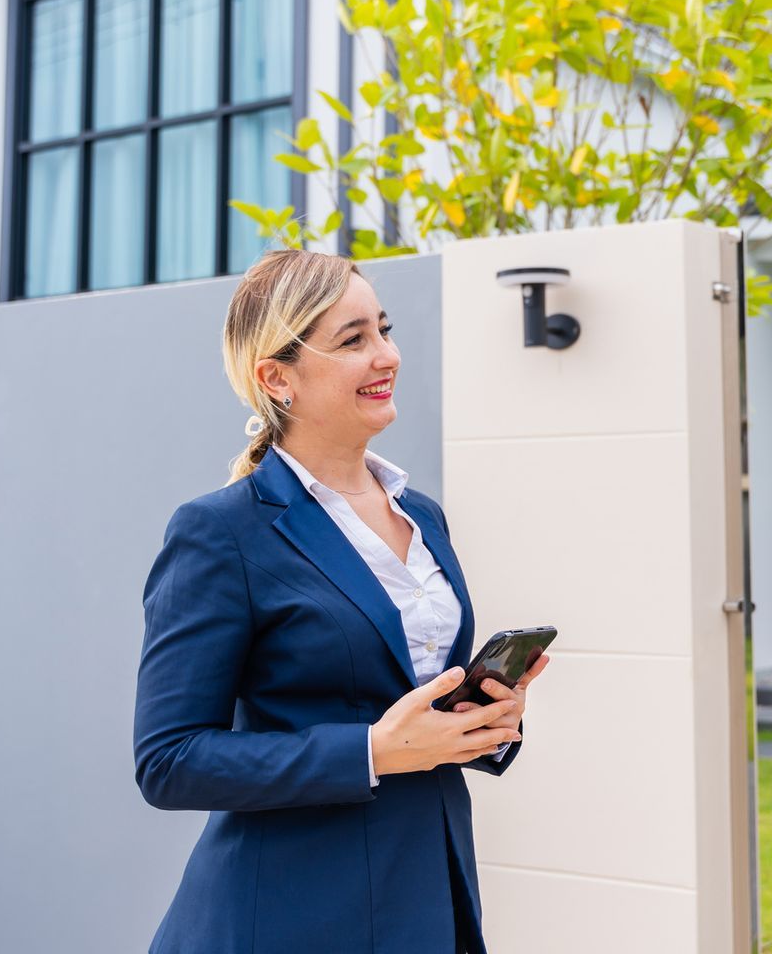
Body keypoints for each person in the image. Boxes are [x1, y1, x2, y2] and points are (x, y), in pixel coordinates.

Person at [134, 249, 546, 953]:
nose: (386, 355)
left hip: (430, 898)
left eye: (384, 330)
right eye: (353, 340)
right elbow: (169, 760)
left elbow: (401, 704)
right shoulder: (220, 532)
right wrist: (372, 752)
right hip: (290, 915)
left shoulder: (423, 515)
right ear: (277, 378)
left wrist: (483, 720)